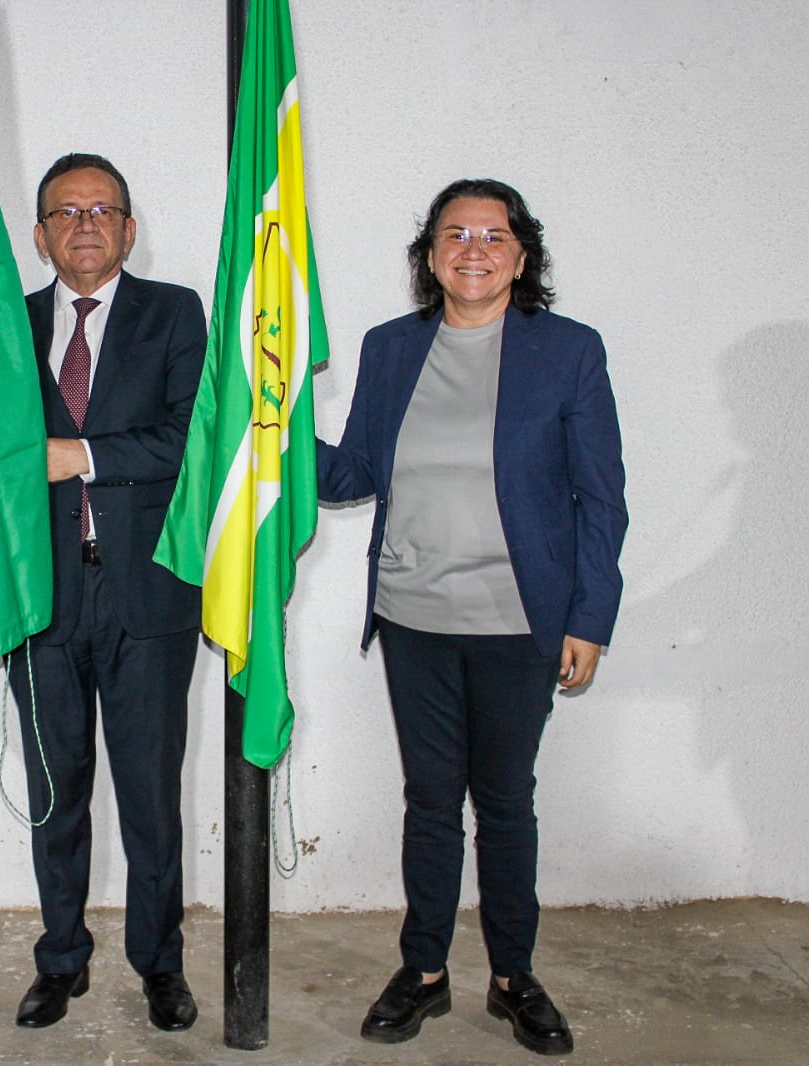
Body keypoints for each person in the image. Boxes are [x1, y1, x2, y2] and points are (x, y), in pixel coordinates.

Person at [316, 179, 627, 1056]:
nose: (473, 249)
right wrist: (270, 429)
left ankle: (512, 977)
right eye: (455, 234)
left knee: (504, 804)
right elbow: (355, 474)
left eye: (494, 235)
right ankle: (422, 971)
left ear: (521, 256)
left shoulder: (566, 351)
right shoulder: (390, 348)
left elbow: (600, 497)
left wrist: (589, 617)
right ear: (429, 254)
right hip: (412, 616)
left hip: (518, 622)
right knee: (427, 802)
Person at [6, 153, 207, 1032]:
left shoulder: (174, 313)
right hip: (38, 596)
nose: (84, 225)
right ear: (39, 234)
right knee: (57, 794)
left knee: (150, 797)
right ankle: (61, 959)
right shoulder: (6, 324)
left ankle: (159, 963)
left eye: (101, 211)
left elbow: (192, 436)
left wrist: (80, 455)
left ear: (128, 229)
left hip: (148, 598)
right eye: (66, 212)